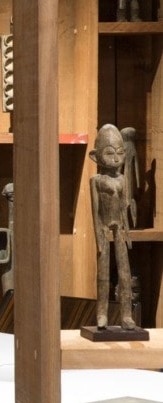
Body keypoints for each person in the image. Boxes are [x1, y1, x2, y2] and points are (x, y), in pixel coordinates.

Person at [89, 123, 135, 330]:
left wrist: (127, 231)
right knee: (103, 273)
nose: (116, 158)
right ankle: (102, 314)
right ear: (96, 155)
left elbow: (125, 205)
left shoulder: (123, 179)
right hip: (103, 227)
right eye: (109, 153)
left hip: (120, 228)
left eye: (119, 153)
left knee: (125, 272)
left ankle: (126, 315)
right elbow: (95, 209)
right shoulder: (96, 180)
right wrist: (98, 234)